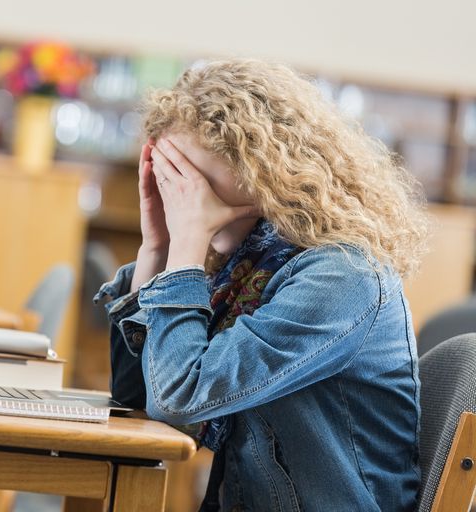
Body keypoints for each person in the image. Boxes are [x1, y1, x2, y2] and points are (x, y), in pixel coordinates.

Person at [94, 59, 429, 511]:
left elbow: (180, 397)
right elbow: (139, 398)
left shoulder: (342, 277)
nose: (183, 198)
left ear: (266, 174)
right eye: (174, 180)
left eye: (196, 182)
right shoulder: (247, 265)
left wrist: (187, 248)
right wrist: (158, 248)